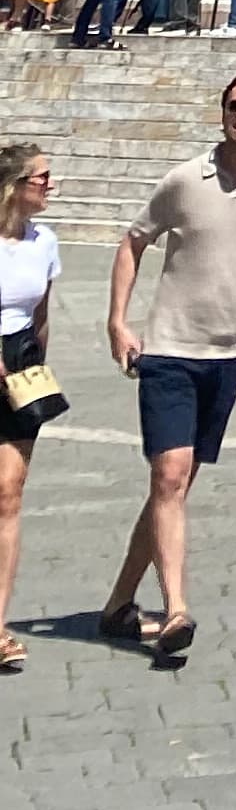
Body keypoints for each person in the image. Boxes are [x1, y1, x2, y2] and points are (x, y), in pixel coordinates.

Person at [101, 68, 236, 664]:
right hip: (168, 350)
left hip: (230, 353)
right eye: (235, 105)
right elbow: (132, 240)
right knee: (168, 479)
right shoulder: (185, 179)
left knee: (176, 485)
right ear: (223, 113)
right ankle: (177, 610)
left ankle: (117, 605)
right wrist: (119, 321)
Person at [0, 139, 61, 670]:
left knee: (8, 492)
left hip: (18, 362)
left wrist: (36, 369)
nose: (49, 186)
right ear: (13, 187)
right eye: (41, 178)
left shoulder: (44, 241)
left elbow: (41, 313)